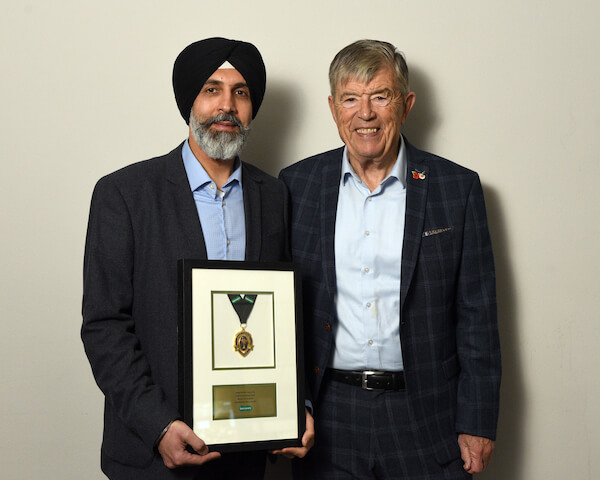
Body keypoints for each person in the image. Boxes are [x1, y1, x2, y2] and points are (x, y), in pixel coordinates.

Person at [82, 37, 311, 480]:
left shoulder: (274, 195)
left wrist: (293, 405)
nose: (226, 105)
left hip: (244, 453)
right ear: (190, 101)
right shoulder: (124, 195)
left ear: (252, 106)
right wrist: (159, 425)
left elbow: (284, 315)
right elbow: (104, 326)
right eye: (211, 90)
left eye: (240, 92)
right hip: (151, 457)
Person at [279, 39, 501, 479]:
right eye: (350, 99)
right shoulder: (296, 186)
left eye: (380, 96)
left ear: (406, 104)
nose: (365, 113)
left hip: (425, 415)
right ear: (332, 107)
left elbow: (477, 315)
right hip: (327, 415)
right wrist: (284, 408)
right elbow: (281, 312)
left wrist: (477, 421)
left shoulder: (457, 189)